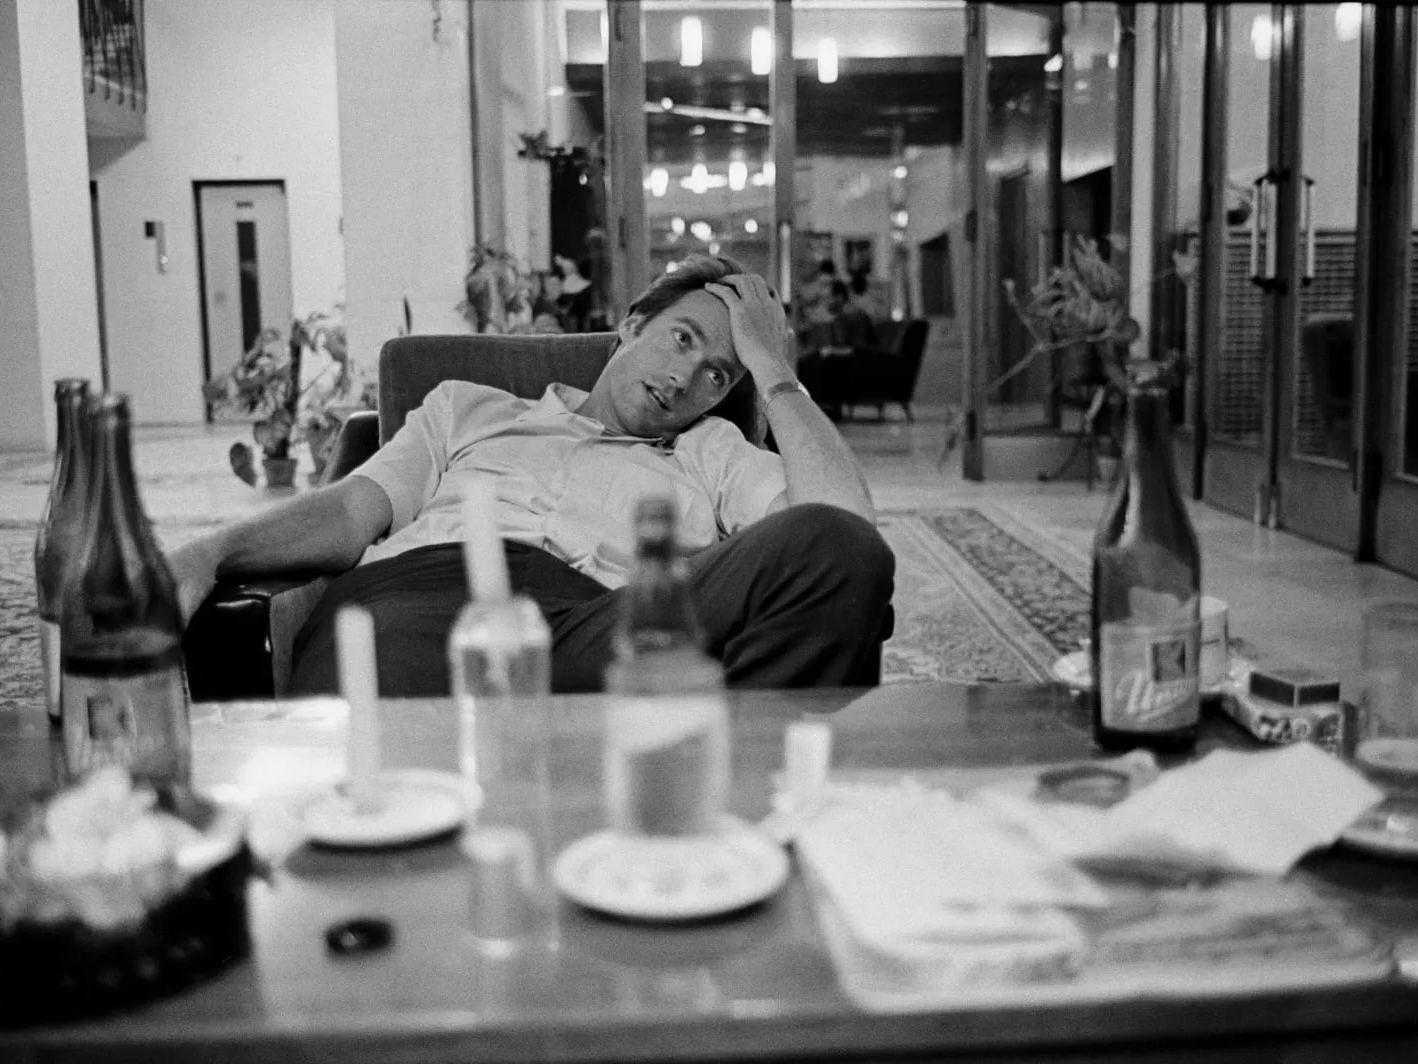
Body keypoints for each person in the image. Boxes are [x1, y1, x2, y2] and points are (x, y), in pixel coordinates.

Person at [168, 255, 894, 696]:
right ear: (634, 322)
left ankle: (725, 806)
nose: (685, 378)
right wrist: (210, 552)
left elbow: (846, 527)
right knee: (389, 673)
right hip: (427, 602)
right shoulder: (466, 407)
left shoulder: (711, 447)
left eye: (716, 373)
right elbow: (352, 511)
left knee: (838, 551)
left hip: (605, 626)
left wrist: (770, 366)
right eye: (681, 339)